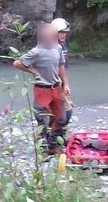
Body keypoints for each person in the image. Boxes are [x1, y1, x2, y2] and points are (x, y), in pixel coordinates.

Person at [13, 23, 71, 155]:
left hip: (55, 88)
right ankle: (42, 149)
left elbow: (61, 66)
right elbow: (17, 63)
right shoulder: (36, 51)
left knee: (61, 118)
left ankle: (52, 143)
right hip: (41, 89)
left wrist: (66, 84)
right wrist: (34, 72)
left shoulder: (58, 48)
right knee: (42, 120)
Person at [50, 17, 73, 135]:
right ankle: (48, 141)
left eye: (65, 32)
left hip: (61, 83)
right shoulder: (48, 47)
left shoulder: (63, 45)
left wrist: (66, 84)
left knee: (68, 112)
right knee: (54, 113)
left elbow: (63, 66)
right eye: (61, 32)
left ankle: (61, 136)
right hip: (51, 85)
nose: (64, 35)